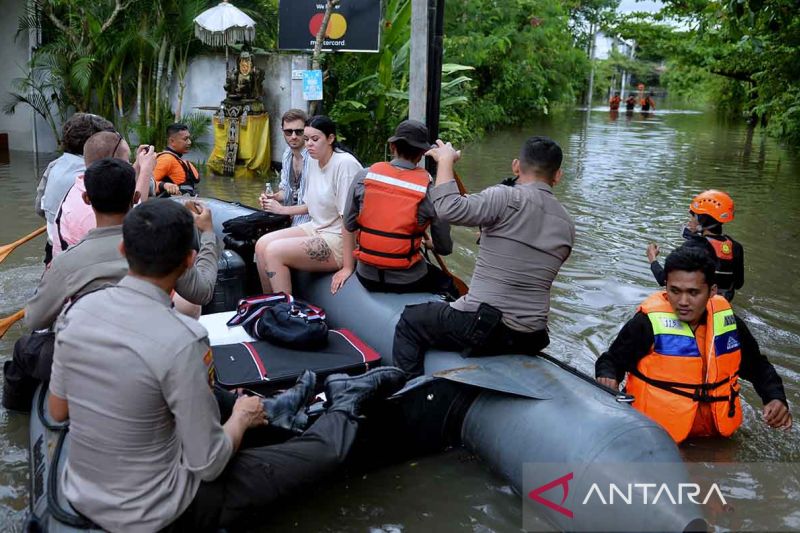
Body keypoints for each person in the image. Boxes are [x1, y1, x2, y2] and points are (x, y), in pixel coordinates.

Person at [47, 199, 406, 531]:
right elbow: (208, 463)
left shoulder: (75, 314)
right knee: (323, 454)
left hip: (83, 492)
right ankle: (343, 399)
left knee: (203, 398)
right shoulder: (183, 339)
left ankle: (276, 409)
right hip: (162, 507)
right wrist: (241, 419)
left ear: (123, 250)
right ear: (190, 261)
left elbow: (58, 409)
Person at [1, 159, 219, 411]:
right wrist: (208, 235)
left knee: (24, 348)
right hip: (150, 353)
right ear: (136, 195)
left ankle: (19, 424)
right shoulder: (161, 246)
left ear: (86, 199)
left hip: (90, 362)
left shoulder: (68, 262)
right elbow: (202, 291)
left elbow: (35, 320)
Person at [392, 136, 575, 378]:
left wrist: (445, 161)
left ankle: (406, 398)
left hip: (487, 327)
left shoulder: (505, 197)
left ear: (516, 166)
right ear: (558, 176)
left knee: (410, 321)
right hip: (532, 335)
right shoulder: (567, 225)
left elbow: (447, 208)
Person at [595, 247, 791, 444]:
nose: (683, 301)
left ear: (712, 291)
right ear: (666, 287)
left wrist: (775, 397)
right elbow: (612, 361)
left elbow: (758, 367)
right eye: (674, 291)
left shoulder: (731, 325)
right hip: (657, 438)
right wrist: (608, 376)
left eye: (693, 292)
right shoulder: (646, 324)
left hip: (716, 437)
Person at [332, 119, 453, 295]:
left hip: (366, 276)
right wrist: (432, 244)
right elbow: (444, 248)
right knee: (448, 285)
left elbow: (349, 225)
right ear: (422, 154)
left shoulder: (363, 177)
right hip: (408, 280)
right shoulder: (430, 191)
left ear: (392, 147)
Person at [255, 115, 363, 294]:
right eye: (307, 140)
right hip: (316, 227)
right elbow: (311, 205)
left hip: (337, 238)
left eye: (315, 139)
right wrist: (277, 203)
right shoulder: (312, 161)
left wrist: (347, 267)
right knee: (261, 244)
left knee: (274, 251)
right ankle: (270, 305)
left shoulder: (345, 165)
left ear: (330, 138)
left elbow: (349, 220)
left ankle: (285, 313)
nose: (309, 144)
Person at [52, 131, 158, 255]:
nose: (130, 165)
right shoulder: (91, 213)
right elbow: (136, 221)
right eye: (127, 160)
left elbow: (127, 188)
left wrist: (139, 166)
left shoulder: (83, 184)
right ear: (112, 163)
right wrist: (146, 170)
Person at [35, 113, 114, 263]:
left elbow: (40, 209)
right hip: (83, 255)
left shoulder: (54, 166)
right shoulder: (98, 174)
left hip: (53, 251)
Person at [647, 189, 744, 301]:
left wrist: (652, 258)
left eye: (693, 216)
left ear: (703, 220)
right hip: (722, 306)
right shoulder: (736, 247)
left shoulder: (692, 246)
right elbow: (738, 284)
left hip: (697, 307)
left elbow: (663, 279)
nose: (690, 221)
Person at [260, 108, 311, 227]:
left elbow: (316, 204)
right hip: (291, 219)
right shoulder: (287, 154)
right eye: (288, 132)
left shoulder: (313, 157)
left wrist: (281, 210)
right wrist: (273, 197)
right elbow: (286, 191)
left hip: (310, 222)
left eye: (299, 132)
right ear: (282, 131)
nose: (293, 136)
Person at [153, 123, 200, 195]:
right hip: (169, 204)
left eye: (189, 138)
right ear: (172, 141)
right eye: (185, 139)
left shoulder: (181, 161)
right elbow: (146, 184)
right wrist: (164, 185)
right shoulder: (166, 159)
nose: (189, 142)